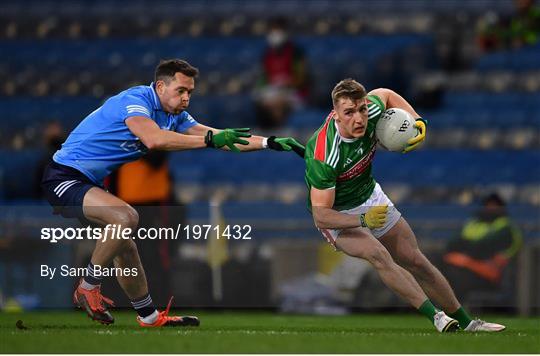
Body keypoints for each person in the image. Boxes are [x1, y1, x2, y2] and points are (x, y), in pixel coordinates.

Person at [41, 59, 304, 327]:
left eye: (190, 92)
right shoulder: (136, 101)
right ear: (160, 86)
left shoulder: (173, 115)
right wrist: (211, 140)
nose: (186, 97)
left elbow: (216, 136)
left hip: (89, 182)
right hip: (64, 176)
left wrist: (268, 142)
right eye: (181, 90)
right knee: (126, 217)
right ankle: (87, 287)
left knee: (126, 247)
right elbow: (155, 140)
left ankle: (149, 316)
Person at [303, 78, 505, 332]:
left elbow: (386, 94)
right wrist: (363, 220)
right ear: (335, 115)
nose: (359, 119)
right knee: (378, 255)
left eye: (362, 110)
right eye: (349, 113)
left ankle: (468, 323)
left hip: (370, 196)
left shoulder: (372, 111)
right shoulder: (323, 154)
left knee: (416, 260)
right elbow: (321, 216)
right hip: (338, 213)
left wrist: (418, 120)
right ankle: (437, 318)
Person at [444, 193, 523, 302]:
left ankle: (454, 308)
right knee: (440, 266)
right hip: (468, 265)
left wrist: (466, 251)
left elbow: (485, 246)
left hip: (489, 271)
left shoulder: (505, 226)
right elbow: (452, 243)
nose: (491, 208)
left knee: (456, 275)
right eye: (488, 205)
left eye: (495, 205)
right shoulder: (473, 223)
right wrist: (469, 250)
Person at [254, 17, 310, 129]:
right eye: (272, 31)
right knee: (260, 97)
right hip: (274, 89)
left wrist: (288, 83)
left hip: (295, 92)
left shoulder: (296, 53)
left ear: (285, 32)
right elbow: (263, 78)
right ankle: (268, 128)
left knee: (277, 102)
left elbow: (302, 78)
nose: (275, 35)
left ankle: (281, 127)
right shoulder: (267, 54)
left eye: (278, 31)